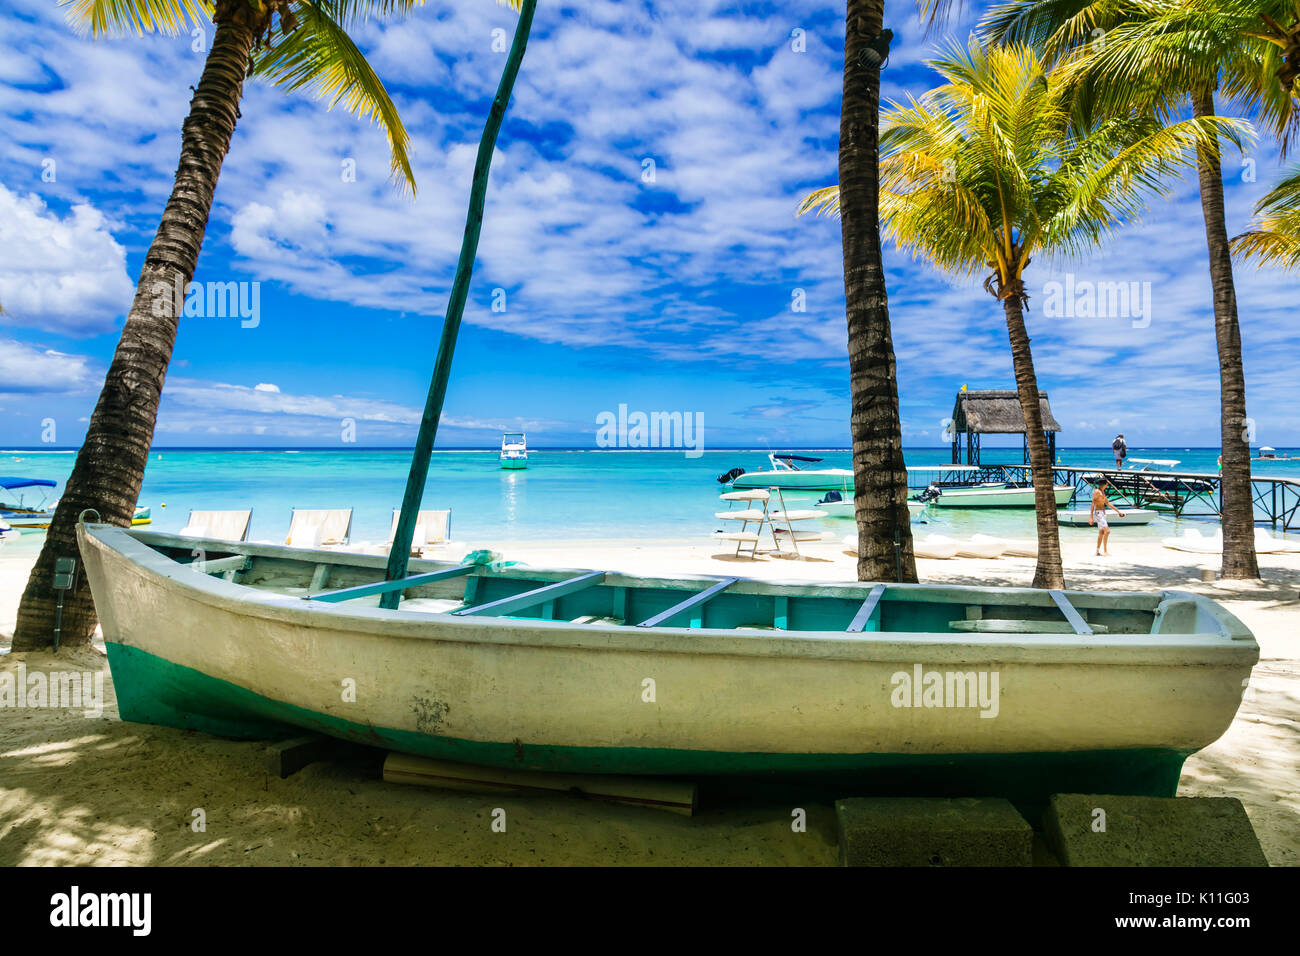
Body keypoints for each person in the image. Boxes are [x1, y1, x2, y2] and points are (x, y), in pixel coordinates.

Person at [1090, 480, 1125, 556]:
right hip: (1098, 513)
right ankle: (1105, 552)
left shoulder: (1102, 492)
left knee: (1101, 533)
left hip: (1102, 514)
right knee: (1107, 531)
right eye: (1107, 484)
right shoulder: (1097, 492)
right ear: (1105, 484)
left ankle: (1097, 551)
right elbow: (1093, 503)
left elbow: (1108, 503)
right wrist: (1091, 518)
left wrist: (1118, 512)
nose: (1107, 485)